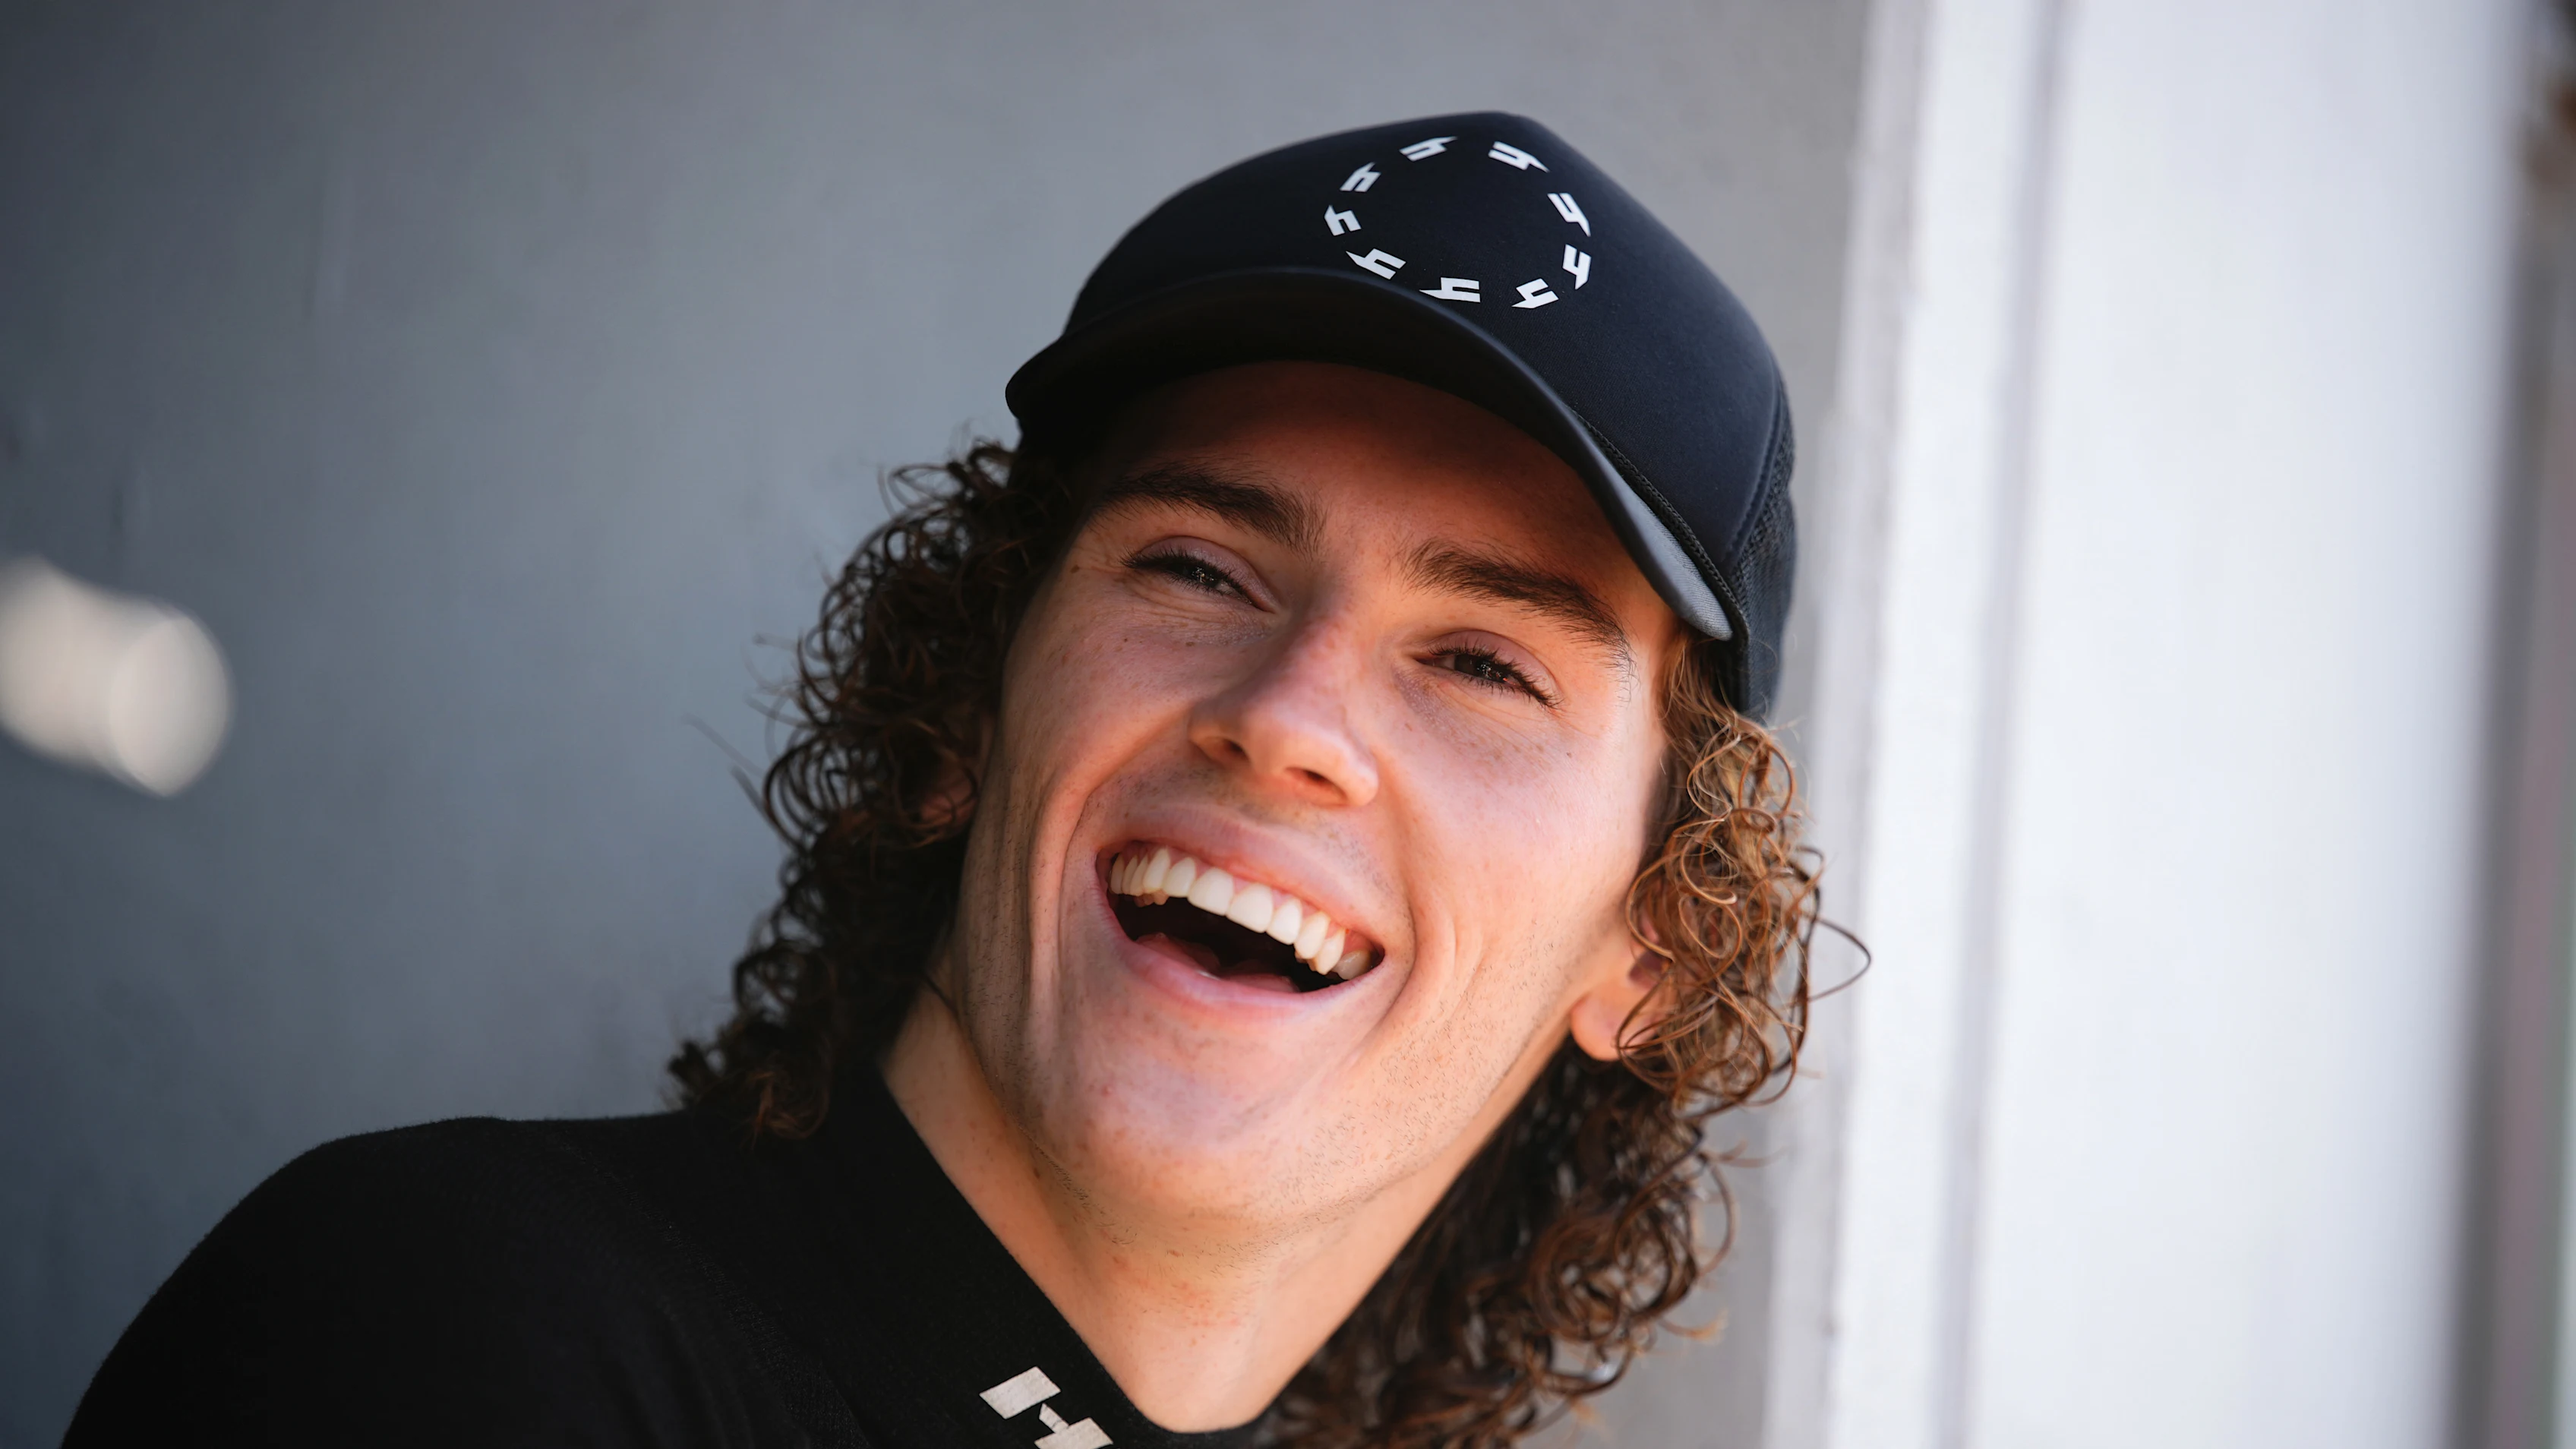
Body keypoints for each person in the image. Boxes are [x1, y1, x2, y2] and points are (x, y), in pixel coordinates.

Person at [67, 112, 1817, 1449]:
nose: (1288, 717)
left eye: (1482, 663)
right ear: (966, 704)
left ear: (1653, 942)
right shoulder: (452, 1332)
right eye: (1197, 568)